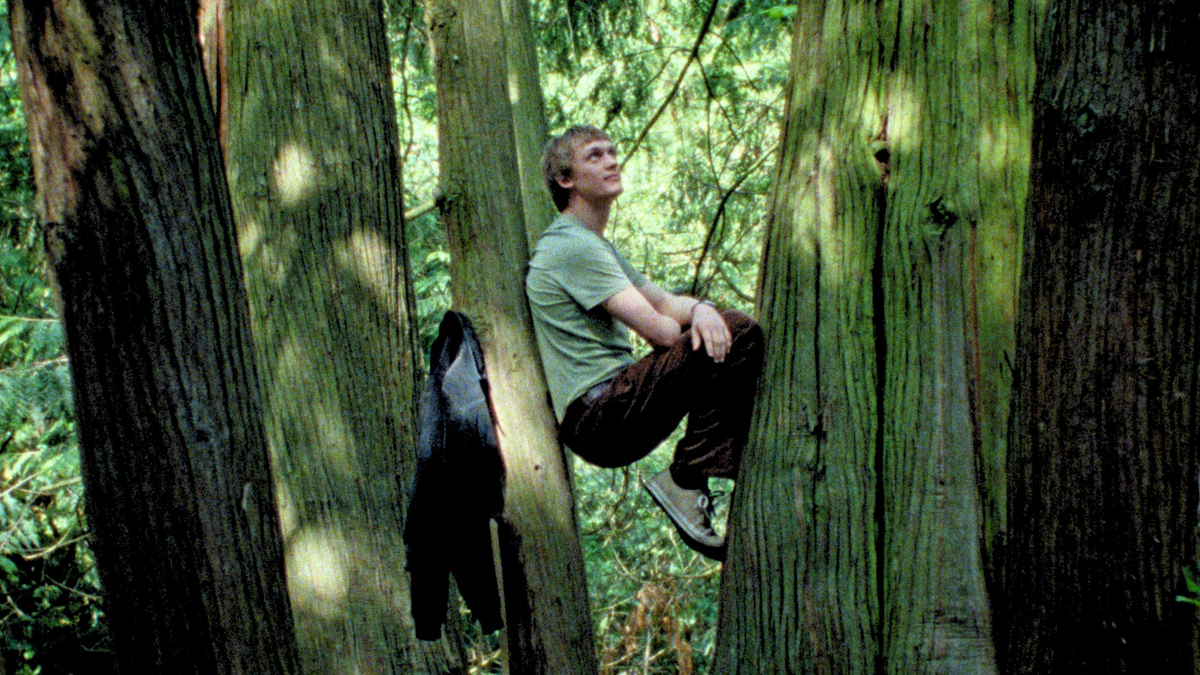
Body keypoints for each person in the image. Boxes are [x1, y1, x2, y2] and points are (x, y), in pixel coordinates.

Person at [525, 125, 764, 560]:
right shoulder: (570, 246)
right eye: (595, 155)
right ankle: (686, 479)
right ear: (565, 179)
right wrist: (700, 321)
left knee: (722, 330)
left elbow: (668, 303)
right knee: (739, 333)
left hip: (612, 408)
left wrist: (701, 309)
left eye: (612, 151)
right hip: (600, 414)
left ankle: (696, 475)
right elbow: (661, 331)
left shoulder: (595, 245)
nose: (611, 161)